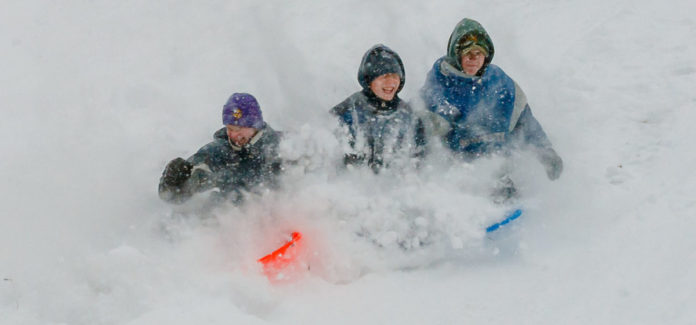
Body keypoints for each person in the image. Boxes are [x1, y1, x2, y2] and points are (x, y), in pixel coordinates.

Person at [420, 18, 563, 198]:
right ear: (457, 55)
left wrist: (545, 151)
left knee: (501, 181)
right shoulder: (439, 85)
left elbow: (524, 121)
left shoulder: (500, 83)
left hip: (499, 167)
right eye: (468, 53)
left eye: (479, 53)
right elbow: (419, 130)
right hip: (459, 171)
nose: (473, 59)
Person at [158, 93, 282, 204]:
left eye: (238, 129)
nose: (233, 135)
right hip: (231, 221)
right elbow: (196, 175)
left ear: (254, 125)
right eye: (229, 128)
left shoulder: (282, 147)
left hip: (278, 220)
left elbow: (299, 180)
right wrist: (174, 185)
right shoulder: (219, 153)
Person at [330, 44, 425, 173]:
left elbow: (419, 160)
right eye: (384, 76)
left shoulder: (409, 117)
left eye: (395, 76)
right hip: (354, 186)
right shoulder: (348, 111)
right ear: (369, 80)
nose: (390, 82)